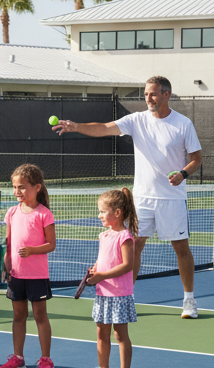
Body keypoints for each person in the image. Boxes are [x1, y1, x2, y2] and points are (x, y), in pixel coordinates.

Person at [52, 76, 203, 319]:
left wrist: (183, 174)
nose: (148, 98)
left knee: (181, 248)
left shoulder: (183, 124)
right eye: (145, 94)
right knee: (134, 247)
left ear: (167, 94)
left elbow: (197, 158)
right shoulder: (136, 120)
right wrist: (76, 126)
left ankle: (189, 301)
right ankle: (128, 296)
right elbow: (104, 128)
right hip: (142, 199)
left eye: (153, 94)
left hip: (172, 199)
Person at [0, 164, 57, 368]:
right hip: (16, 276)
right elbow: (9, 242)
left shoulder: (44, 214)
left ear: (37, 187)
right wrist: (6, 264)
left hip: (37, 276)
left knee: (40, 316)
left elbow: (51, 244)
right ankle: (18, 358)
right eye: (15, 187)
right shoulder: (12, 212)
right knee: (18, 316)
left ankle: (45, 360)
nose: (17, 192)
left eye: (22, 187)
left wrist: (32, 250)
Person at [82, 188, 138, 368]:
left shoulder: (125, 237)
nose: (99, 215)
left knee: (120, 335)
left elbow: (127, 265)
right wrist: (95, 268)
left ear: (117, 212)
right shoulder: (104, 236)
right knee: (101, 332)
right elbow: (103, 259)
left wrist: (102, 276)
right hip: (103, 293)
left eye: (103, 211)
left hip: (119, 294)